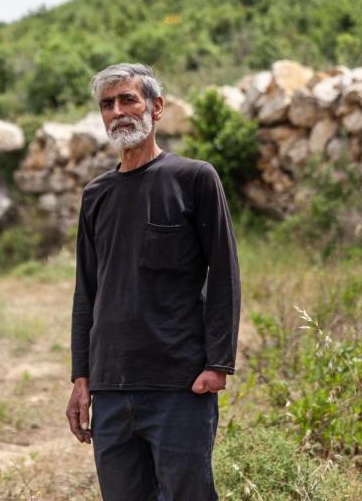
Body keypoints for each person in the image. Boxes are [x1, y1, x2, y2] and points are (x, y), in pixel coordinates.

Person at [65, 63, 241, 500]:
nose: (118, 112)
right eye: (107, 104)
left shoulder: (194, 178)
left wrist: (218, 364)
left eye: (128, 99)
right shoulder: (96, 195)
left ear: (157, 107)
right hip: (110, 388)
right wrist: (82, 377)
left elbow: (224, 276)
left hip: (179, 385)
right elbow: (87, 291)